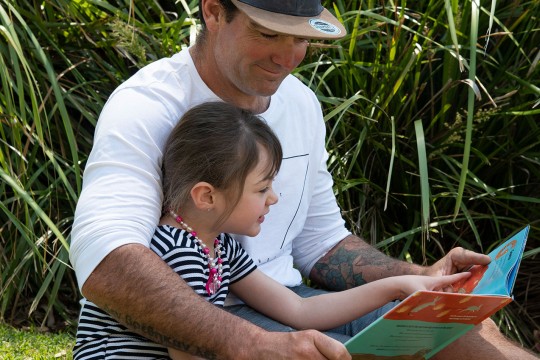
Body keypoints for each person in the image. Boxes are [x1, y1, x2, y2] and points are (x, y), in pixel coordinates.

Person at [69, 0, 538, 359]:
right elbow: (105, 259)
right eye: (269, 33)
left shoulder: (301, 104)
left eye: (301, 38)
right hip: (207, 324)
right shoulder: (146, 106)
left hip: (283, 300)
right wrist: (250, 344)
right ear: (214, 12)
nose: (289, 56)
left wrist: (420, 278)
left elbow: (322, 244)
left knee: (460, 328)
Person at [73, 101, 471, 359]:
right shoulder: (177, 249)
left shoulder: (221, 248)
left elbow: (299, 310)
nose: (274, 199)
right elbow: (189, 355)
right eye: (262, 189)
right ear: (206, 196)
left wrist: (398, 286)